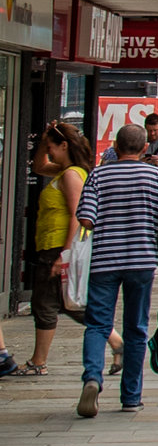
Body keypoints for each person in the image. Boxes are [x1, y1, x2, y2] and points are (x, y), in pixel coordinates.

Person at [72, 124, 158, 417]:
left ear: (115, 147)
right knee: (136, 328)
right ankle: (131, 397)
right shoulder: (157, 176)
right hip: (141, 262)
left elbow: (86, 220)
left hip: (104, 262)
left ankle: (92, 378)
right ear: (145, 149)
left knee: (98, 324)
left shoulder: (98, 175)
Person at [26, 122, 95, 376]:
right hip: (51, 244)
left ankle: (38, 362)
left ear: (64, 146)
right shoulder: (65, 170)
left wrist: (64, 254)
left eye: (52, 147)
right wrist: (45, 140)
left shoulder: (70, 175)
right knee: (65, 303)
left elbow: (77, 215)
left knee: (46, 303)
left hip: (56, 246)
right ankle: (115, 341)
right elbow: (39, 166)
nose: (49, 152)